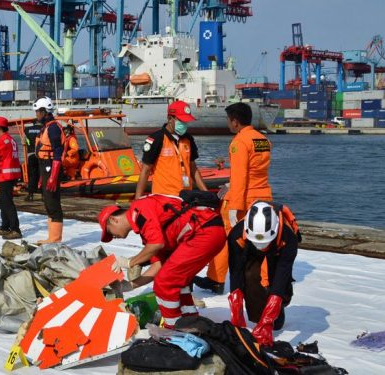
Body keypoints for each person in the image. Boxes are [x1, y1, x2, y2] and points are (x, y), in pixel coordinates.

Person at [99, 194, 226, 328]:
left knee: (165, 283)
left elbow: (156, 244)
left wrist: (130, 262)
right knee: (176, 281)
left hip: (203, 231)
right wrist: (130, 285)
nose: (113, 237)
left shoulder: (138, 208)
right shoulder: (146, 229)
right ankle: (190, 320)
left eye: (109, 232)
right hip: (205, 231)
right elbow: (158, 265)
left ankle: (173, 329)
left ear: (113, 219)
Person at [195, 102, 273, 294]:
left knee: (225, 239)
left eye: (228, 120)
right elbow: (255, 172)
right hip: (263, 196)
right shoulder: (262, 140)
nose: (228, 124)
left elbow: (240, 177)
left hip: (243, 200)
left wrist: (234, 207)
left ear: (235, 122)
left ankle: (216, 279)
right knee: (261, 241)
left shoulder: (239, 142)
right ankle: (265, 280)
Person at [228, 201, 299, 347]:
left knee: (277, 282)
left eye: (264, 243)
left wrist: (268, 322)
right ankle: (259, 314)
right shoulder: (236, 234)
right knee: (250, 276)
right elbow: (236, 271)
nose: (262, 247)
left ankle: (275, 313)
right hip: (249, 249)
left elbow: (283, 273)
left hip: (277, 249)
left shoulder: (288, 237)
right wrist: (237, 314)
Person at [135, 100, 208, 199]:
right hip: (163, 198)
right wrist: (137, 199)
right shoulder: (157, 138)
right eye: (181, 121)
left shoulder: (188, 139)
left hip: (185, 197)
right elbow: (146, 170)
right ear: (170, 118)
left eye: (186, 121)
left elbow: (193, 168)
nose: (184, 124)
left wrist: (207, 194)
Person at [34, 97, 66, 244]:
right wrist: (43, 176)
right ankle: (51, 237)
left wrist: (53, 175)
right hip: (45, 167)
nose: (36, 115)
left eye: (37, 112)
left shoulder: (53, 128)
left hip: (51, 167)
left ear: (43, 112)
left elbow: (58, 152)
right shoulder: (47, 127)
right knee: (48, 201)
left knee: (52, 202)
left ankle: (55, 238)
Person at [23, 106, 45, 201]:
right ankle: (44, 195)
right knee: (42, 174)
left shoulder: (27, 130)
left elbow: (24, 142)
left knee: (32, 175)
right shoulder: (44, 129)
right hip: (41, 155)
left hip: (31, 154)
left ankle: (30, 194)